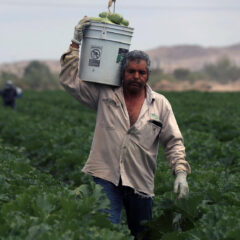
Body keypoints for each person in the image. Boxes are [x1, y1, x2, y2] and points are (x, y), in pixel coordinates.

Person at [59, 17, 191, 239]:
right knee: (105, 232)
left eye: (141, 72)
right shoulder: (105, 94)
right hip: (105, 176)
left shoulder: (160, 104)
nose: (136, 77)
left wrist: (180, 173)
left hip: (140, 182)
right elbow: (69, 80)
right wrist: (75, 44)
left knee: (142, 235)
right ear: (122, 72)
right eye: (131, 71)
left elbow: (173, 141)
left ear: (148, 75)